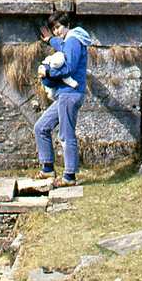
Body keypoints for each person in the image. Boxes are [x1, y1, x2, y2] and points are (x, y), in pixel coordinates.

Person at [34, 18, 95, 185]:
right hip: (64, 94)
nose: (57, 31)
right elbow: (62, 46)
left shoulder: (74, 40)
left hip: (71, 94)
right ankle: (48, 169)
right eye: (54, 29)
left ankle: (69, 176)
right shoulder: (69, 40)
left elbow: (69, 67)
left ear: (68, 25)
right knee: (41, 127)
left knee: (66, 134)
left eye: (59, 27)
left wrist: (48, 72)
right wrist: (51, 40)